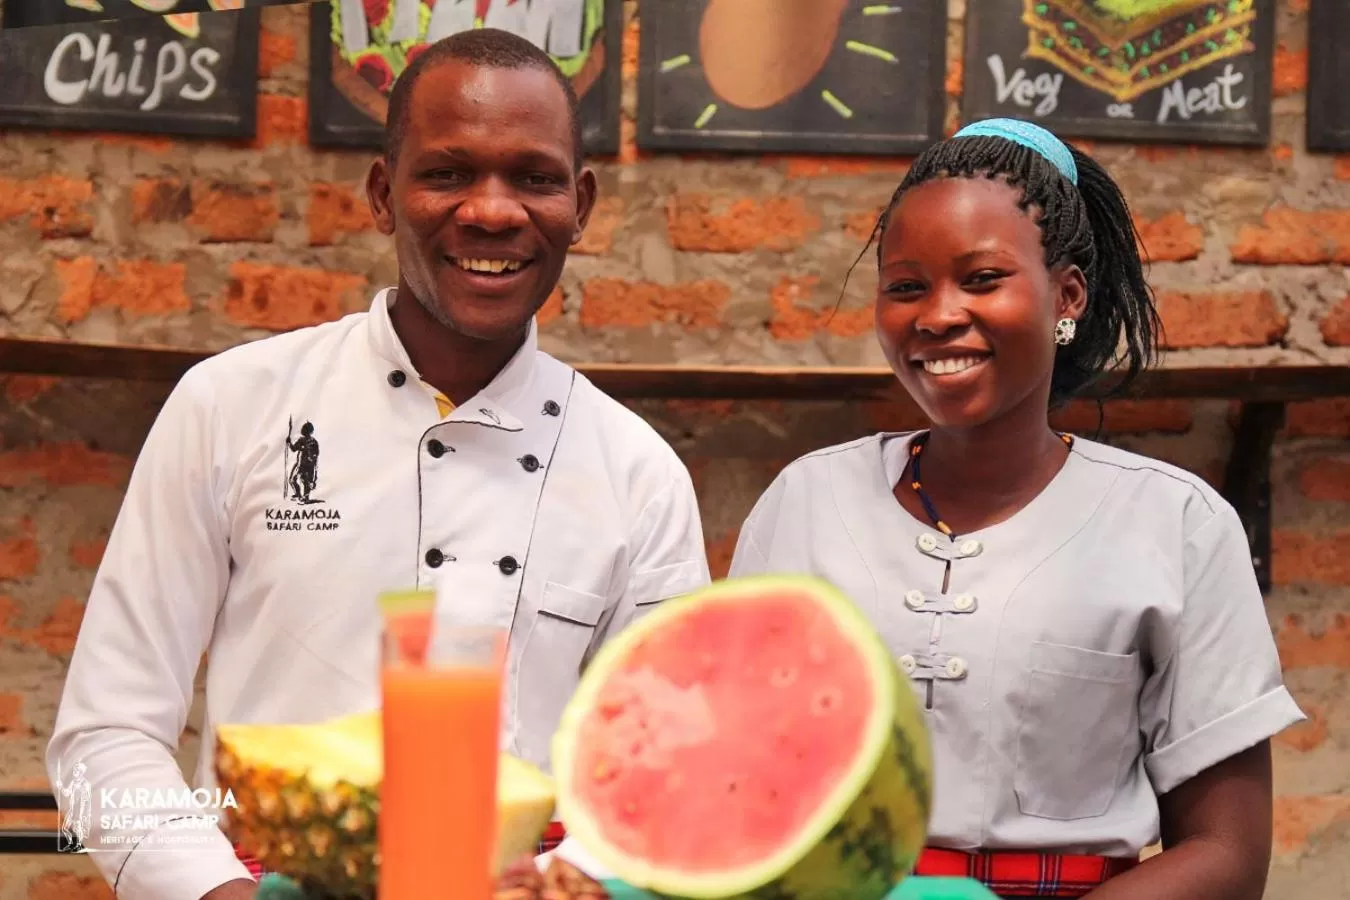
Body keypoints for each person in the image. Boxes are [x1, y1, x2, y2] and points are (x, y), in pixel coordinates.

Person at [46, 28, 710, 900]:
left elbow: (662, 764)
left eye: (534, 178)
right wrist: (218, 894)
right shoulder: (229, 406)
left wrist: (569, 881)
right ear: (382, 193)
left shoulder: (639, 473)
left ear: (579, 205)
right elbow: (102, 736)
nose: (493, 210)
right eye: (447, 172)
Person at [728, 118, 1304, 899]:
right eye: (906, 286)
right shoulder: (806, 501)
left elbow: (1228, 854)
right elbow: (730, 780)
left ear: (1067, 295)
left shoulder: (1178, 526)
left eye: (982, 278)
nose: (937, 315)